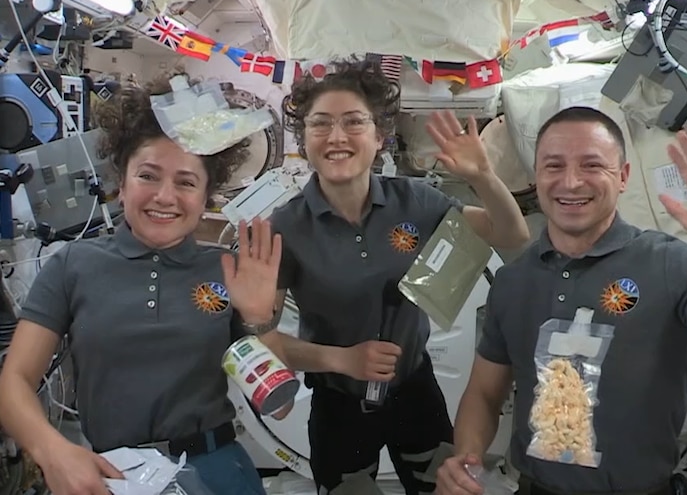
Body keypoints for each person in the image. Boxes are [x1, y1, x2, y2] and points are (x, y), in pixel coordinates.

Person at [435, 106, 687, 495]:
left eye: (591, 165)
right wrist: (467, 458)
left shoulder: (673, 265)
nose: (570, 182)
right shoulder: (514, 281)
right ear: (537, 178)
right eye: (553, 166)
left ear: (622, 178)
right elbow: (484, 393)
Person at [230, 57, 531, 494]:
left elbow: (512, 233)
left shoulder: (415, 201)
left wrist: (483, 176)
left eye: (353, 122)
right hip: (338, 403)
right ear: (304, 139)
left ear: (379, 136)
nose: (336, 136)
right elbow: (265, 340)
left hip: (416, 390)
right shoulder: (285, 230)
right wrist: (342, 359)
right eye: (320, 124)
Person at [0, 75, 281, 495]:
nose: (165, 196)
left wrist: (259, 320)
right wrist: (51, 450)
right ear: (121, 181)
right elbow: (14, 380)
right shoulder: (74, 265)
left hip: (218, 472)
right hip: (112, 476)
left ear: (207, 196)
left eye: (186, 182)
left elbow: (275, 402)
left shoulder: (227, 269)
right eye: (148, 176)